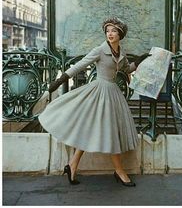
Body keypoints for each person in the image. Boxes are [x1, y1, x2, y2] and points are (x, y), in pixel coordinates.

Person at [39, 17, 148, 187]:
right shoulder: (99, 50)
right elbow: (79, 66)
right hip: (100, 92)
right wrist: (59, 82)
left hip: (113, 93)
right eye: (108, 31)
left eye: (113, 31)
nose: (110, 34)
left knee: (93, 130)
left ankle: (72, 165)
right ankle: (119, 171)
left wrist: (140, 61)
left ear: (120, 34)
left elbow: (127, 69)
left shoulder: (121, 52)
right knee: (110, 131)